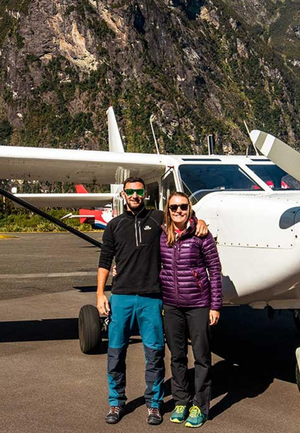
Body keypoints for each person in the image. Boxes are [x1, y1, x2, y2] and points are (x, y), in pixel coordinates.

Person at [97, 177, 206, 426]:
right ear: (123, 195)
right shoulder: (113, 225)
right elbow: (105, 261)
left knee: (155, 353)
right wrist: (100, 293)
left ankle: (154, 405)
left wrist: (199, 221)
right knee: (115, 353)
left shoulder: (158, 218)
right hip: (122, 296)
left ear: (144, 194)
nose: (134, 196)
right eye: (130, 192)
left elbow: (182, 218)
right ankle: (116, 402)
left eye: (138, 191)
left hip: (152, 298)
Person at [159, 192, 222, 428]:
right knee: (176, 356)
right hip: (171, 305)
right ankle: (181, 400)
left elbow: (214, 271)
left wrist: (215, 305)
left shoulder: (201, 234)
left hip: (198, 304)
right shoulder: (162, 233)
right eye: (174, 207)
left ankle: (200, 405)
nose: (178, 211)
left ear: (189, 208)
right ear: (168, 209)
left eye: (183, 207)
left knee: (202, 357)